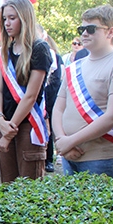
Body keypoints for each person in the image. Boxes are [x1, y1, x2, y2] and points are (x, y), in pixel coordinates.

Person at [53, 5, 113, 178]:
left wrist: (69, 142)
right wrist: (62, 140)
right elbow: (58, 107)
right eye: (82, 29)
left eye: (91, 29)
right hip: (69, 154)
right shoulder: (75, 67)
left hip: (102, 159)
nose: (84, 34)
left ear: (110, 32)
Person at [0, 0, 53, 183]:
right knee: (7, 185)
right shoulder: (4, 50)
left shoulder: (39, 48)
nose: (7, 23)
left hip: (28, 125)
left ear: (25, 18)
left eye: (12, 18)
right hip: (5, 123)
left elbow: (31, 95)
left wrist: (10, 129)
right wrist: (0, 119)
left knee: (28, 187)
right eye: (4, 19)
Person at [42, 29, 64, 173]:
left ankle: (49, 159)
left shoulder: (56, 57)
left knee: (49, 128)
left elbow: (57, 78)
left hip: (50, 97)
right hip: (39, 99)